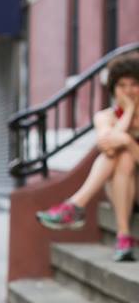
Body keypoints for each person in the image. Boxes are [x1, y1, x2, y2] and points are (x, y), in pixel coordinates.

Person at [36, 53, 139, 262]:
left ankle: (75, 206)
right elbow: (109, 150)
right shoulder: (105, 117)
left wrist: (127, 141)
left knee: (125, 151)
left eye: (134, 84)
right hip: (122, 190)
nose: (128, 91)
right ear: (113, 90)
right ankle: (123, 235)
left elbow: (115, 145)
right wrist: (128, 113)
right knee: (122, 158)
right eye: (121, 85)